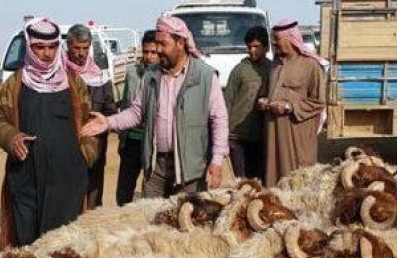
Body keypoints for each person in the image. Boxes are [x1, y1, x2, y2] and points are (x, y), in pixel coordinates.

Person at [82, 15, 228, 198]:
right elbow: (136, 112)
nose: (158, 50)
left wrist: (216, 161)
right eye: (156, 44)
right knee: (152, 222)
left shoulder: (204, 76)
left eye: (163, 44)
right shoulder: (151, 75)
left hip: (191, 170)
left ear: (181, 43)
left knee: (185, 221)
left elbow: (219, 120)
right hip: (155, 167)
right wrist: (108, 123)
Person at [0, 17, 97, 249]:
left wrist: (85, 155)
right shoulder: (15, 83)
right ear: (29, 47)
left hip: (66, 178)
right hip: (26, 175)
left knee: (61, 245)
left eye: (52, 47)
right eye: (40, 47)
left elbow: (90, 124)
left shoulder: (73, 82)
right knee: (27, 243)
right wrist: (11, 137)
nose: (47, 54)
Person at [259, 19, 327, 186]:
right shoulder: (275, 64)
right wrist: (265, 101)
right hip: (274, 131)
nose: (274, 43)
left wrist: (289, 107)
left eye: (277, 39)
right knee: (274, 176)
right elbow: (268, 90)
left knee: (298, 178)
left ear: (290, 40)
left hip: (297, 133)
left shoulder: (311, 65)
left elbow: (318, 102)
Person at [65, 24, 116, 210]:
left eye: (85, 48)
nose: (81, 53)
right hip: (68, 145)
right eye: (77, 48)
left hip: (96, 146)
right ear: (68, 46)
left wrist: (100, 122)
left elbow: (110, 110)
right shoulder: (60, 76)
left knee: (94, 190)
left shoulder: (100, 77)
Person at [115, 30, 160, 205]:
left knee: (151, 190)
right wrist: (122, 138)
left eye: (153, 52)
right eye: (146, 51)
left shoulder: (163, 75)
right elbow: (126, 104)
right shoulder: (132, 72)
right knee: (124, 190)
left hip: (152, 141)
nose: (149, 57)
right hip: (131, 139)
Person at [223, 26, 272, 183]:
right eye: (249, 47)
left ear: (266, 47)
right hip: (237, 136)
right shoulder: (239, 70)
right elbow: (227, 101)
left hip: (261, 135)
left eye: (256, 46)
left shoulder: (273, 69)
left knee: (259, 180)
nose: (252, 51)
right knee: (241, 181)